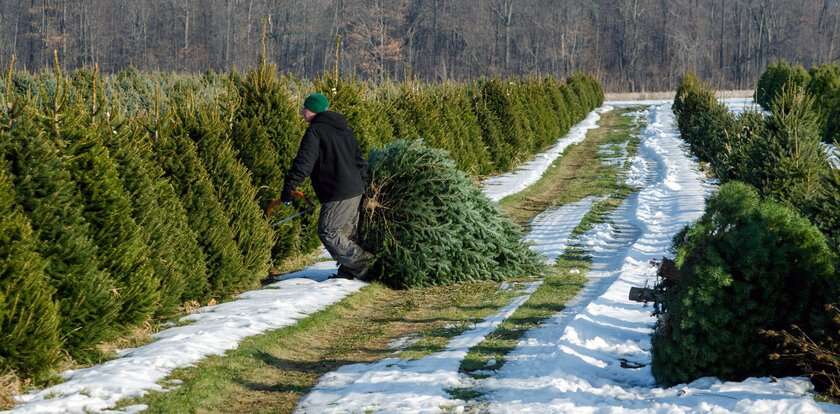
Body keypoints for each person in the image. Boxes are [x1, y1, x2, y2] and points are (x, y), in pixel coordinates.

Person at [281, 92, 374, 280]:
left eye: (304, 108)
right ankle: (349, 272)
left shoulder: (315, 131)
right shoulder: (344, 128)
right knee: (347, 233)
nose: (301, 112)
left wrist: (289, 187)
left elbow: (304, 163)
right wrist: (365, 185)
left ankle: (367, 265)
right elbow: (359, 159)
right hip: (355, 188)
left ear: (312, 110)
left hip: (338, 191)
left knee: (328, 230)